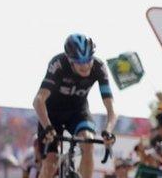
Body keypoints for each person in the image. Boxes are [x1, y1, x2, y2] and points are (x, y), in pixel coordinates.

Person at [32, 34, 117, 178]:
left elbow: (111, 108)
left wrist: (108, 130)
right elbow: (38, 100)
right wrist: (47, 126)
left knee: (88, 141)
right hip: (52, 114)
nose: (85, 65)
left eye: (88, 60)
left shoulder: (99, 67)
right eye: (79, 62)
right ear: (70, 61)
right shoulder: (58, 64)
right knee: (51, 162)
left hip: (78, 112)